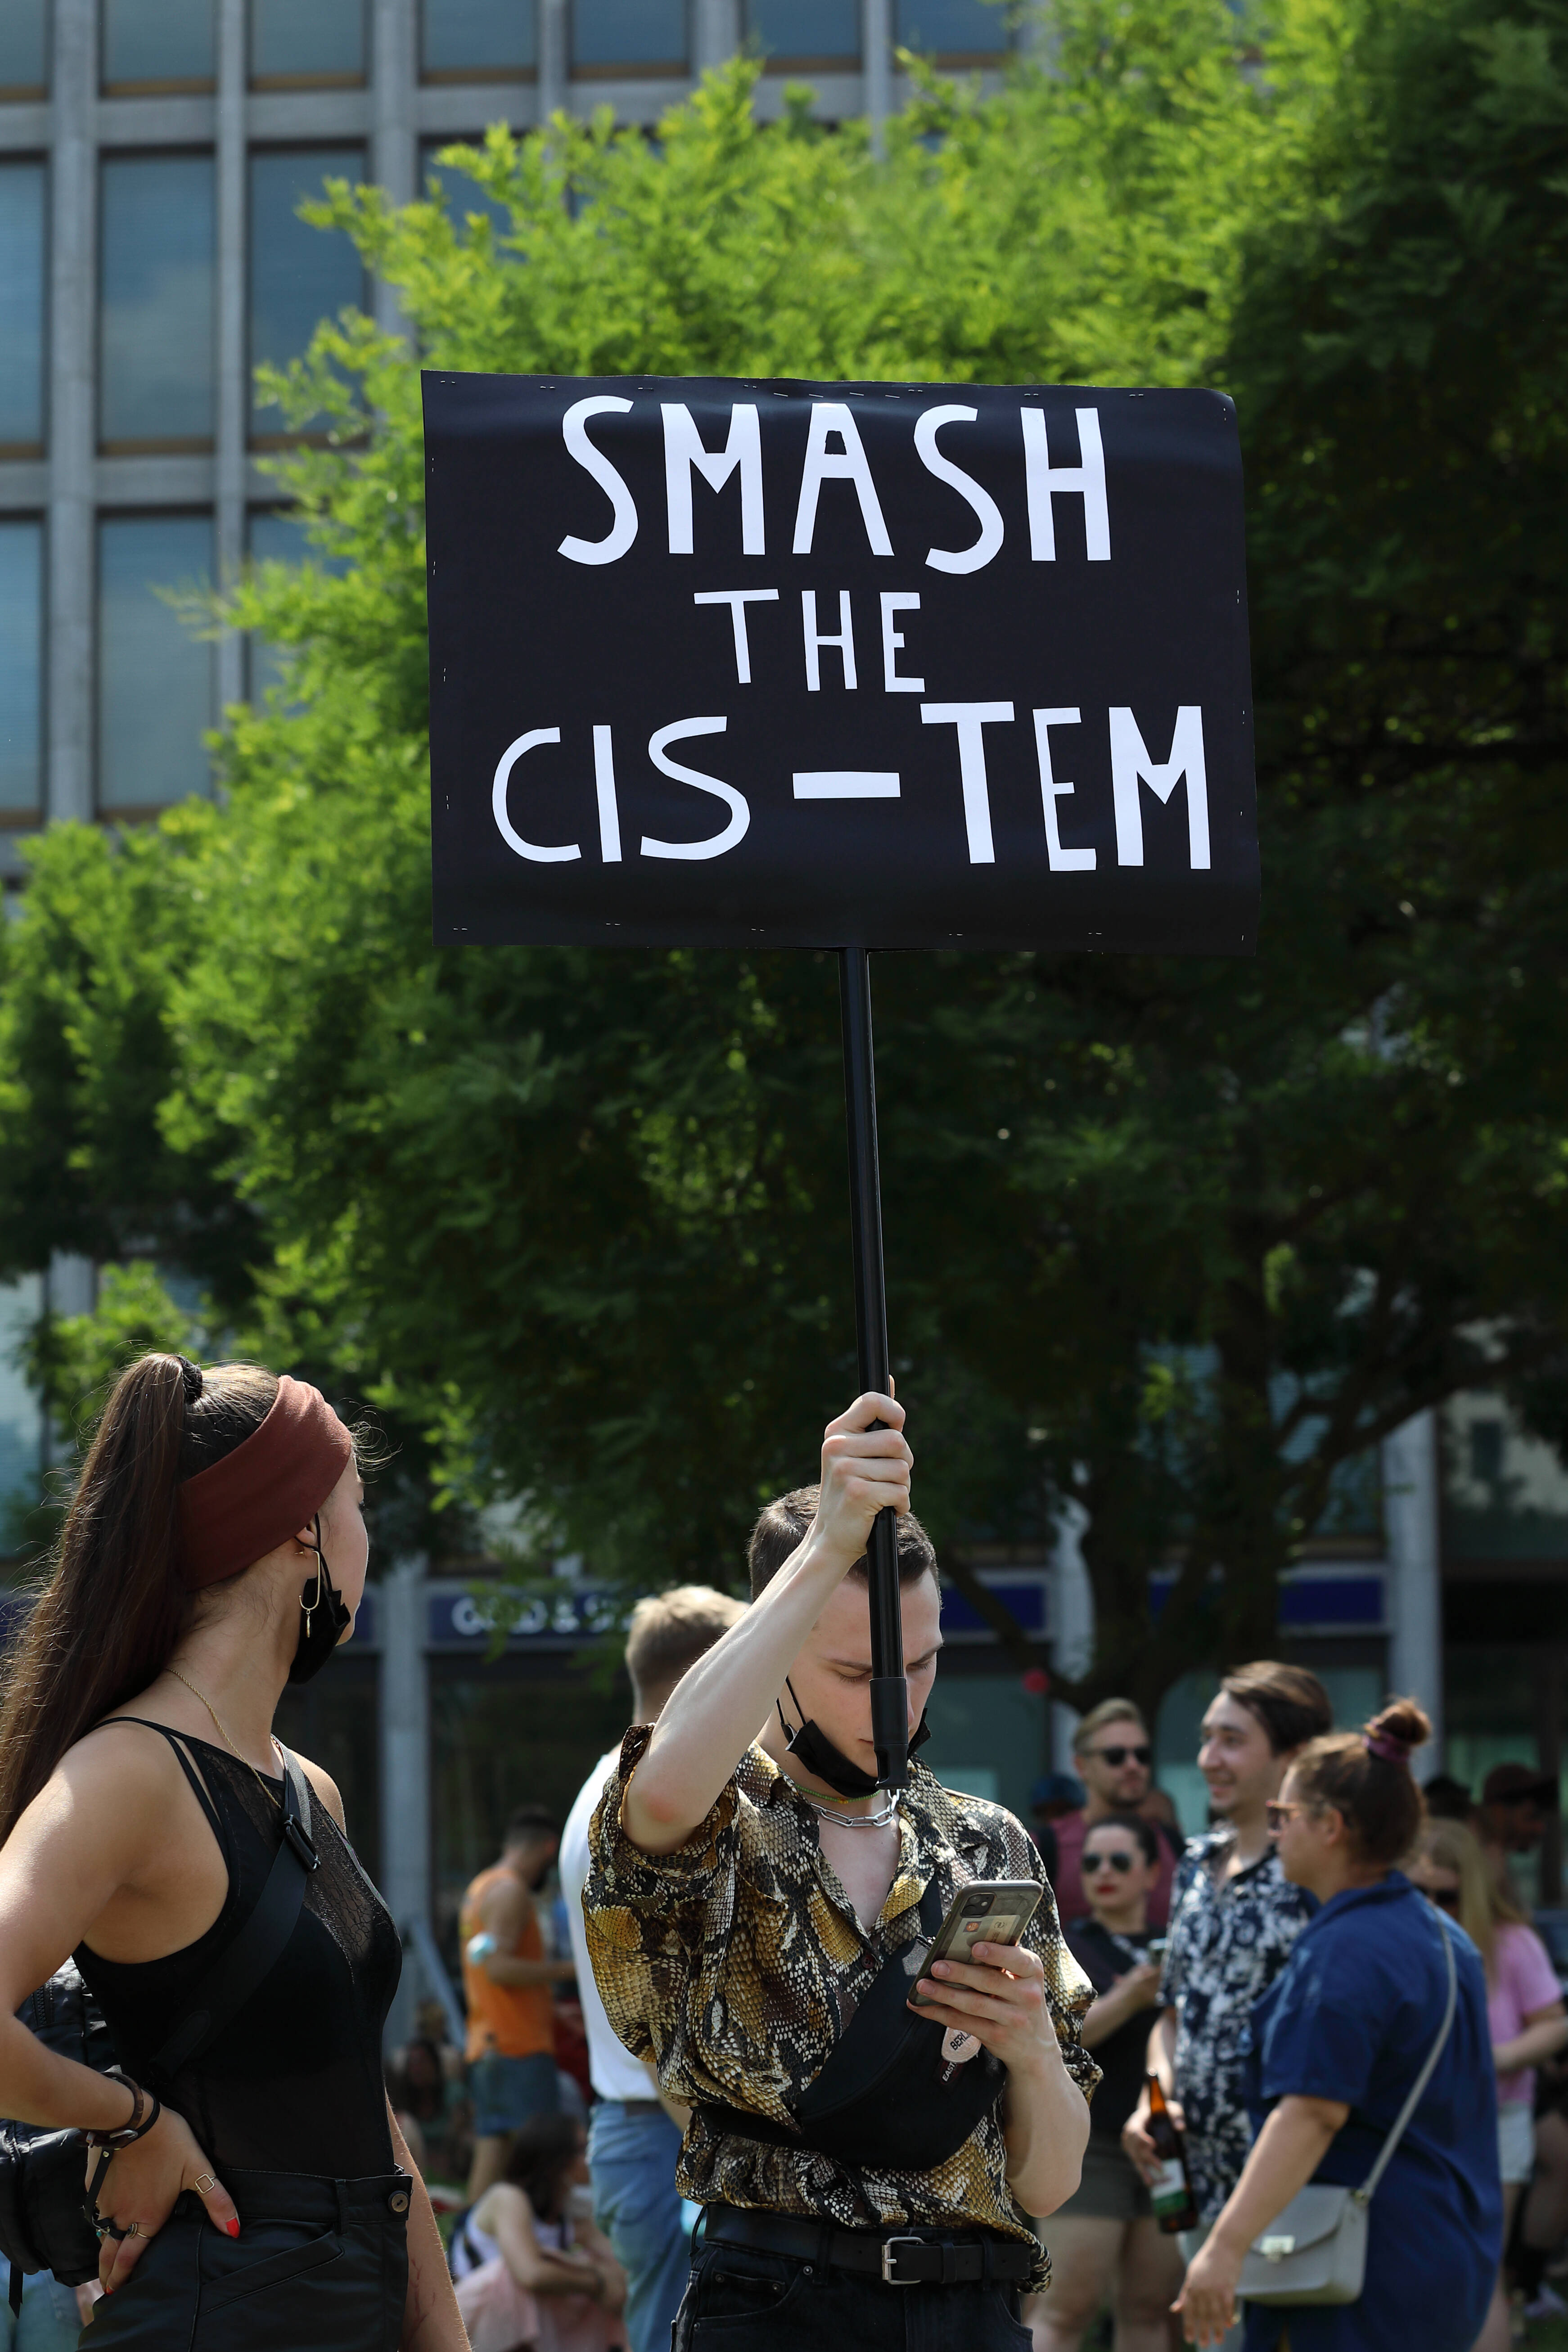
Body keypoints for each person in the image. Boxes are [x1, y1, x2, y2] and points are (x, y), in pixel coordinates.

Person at [584, 1392, 1099, 2351]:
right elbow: (655, 1798)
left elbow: (1047, 2183)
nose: (898, 1704)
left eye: (923, 1661)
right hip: (781, 2302)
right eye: (858, 1674)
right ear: (777, 1647)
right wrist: (825, 1545)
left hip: (973, 2305)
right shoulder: (720, 1816)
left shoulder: (985, 1843)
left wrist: (1029, 2049)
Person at [0, 1353, 465, 2348]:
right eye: (357, 1506)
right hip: (218, 2311)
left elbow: (362, 2111)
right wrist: (128, 2120)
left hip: (350, 2300)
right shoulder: (129, 1773)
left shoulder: (307, 1789)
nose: (365, 1542)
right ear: (303, 1528)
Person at [1175, 1700, 1502, 2352]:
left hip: (1360, 2272)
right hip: (1446, 2254)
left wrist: (1224, 2247)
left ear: (1331, 1826)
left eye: (1284, 1816)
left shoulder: (1345, 1949)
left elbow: (1312, 2113)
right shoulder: (1445, 1935)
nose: (1274, 1833)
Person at [1123, 1661, 1333, 2352]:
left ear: (1293, 1756)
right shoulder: (1194, 1860)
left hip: (1289, 2182)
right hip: (1196, 2176)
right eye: (1208, 1737)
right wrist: (1155, 2100)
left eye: (1233, 1740)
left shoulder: (1320, 1870)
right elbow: (1175, 2011)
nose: (1210, 1758)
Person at [559, 1584, 746, 2352]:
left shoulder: (608, 1790)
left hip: (645, 2131)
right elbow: (664, 2026)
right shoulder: (648, 1804)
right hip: (670, 2133)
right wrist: (726, 2166)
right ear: (708, 1673)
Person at [1408, 1816, 1568, 2352]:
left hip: (1494, 2120)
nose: (1430, 1905)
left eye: (1446, 1895)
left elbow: (1553, 2022)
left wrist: (1495, 2058)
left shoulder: (1512, 1941)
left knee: (1480, 2269)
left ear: (1471, 1889)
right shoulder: (1396, 1941)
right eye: (1416, 1891)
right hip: (1415, 2130)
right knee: (1416, 2270)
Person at [1028, 1814, 1183, 2352]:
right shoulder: (1063, 1947)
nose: (1104, 1873)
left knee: (1149, 2310)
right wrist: (1131, 1998)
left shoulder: (1179, 1948)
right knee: (1067, 2308)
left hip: (1165, 2146)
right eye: (1091, 1863)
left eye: (1120, 1861)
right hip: (1089, 2149)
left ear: (1151, 1873)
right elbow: (1055, 2042)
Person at [462, 1803, 580, 2199]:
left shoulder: (481, 1887)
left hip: (490, 2044)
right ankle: (531, 2239)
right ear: (549, 1848)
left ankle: (468, 2249)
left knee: (494, 2151)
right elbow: (498, 1969)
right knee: (541, 2156)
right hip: (517, 2047)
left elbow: (491, 1970)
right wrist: (571, 1969)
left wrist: (555, 2012)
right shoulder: (512, 1891)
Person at [453, 2112, 628, 2352]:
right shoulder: (508, 2198)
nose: (590, 2157)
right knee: (514, 2277)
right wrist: (597, 2282)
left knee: (588, 2265)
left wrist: (607, 2276)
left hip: (524, 2322)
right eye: (581, 2149)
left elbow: (621, 2265)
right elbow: (531, 2274)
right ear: (556, 2159)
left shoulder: (569, 2207)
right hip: (473, 2321)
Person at [1044, 1703, 1182, 1934]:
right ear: (1082, 1766)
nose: (1133, 1766)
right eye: (1116, 1756)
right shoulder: (1047, 1846)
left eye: (1142, 1755)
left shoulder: (1171, 1842)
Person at [388, 2033, 471, 2186]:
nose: (418, 2069)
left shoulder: (453, 2094)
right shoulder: (403, 2099)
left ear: (435, 2065)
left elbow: (460, 2132)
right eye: (413, 2063)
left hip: (450, 2162)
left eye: (423, 2062)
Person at [1478, 1762, 1559, 1902]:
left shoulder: (1498, 1860)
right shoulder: (1476, 1864)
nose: (1540, 1828)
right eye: (1531, 1817)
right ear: (1498, 1811)